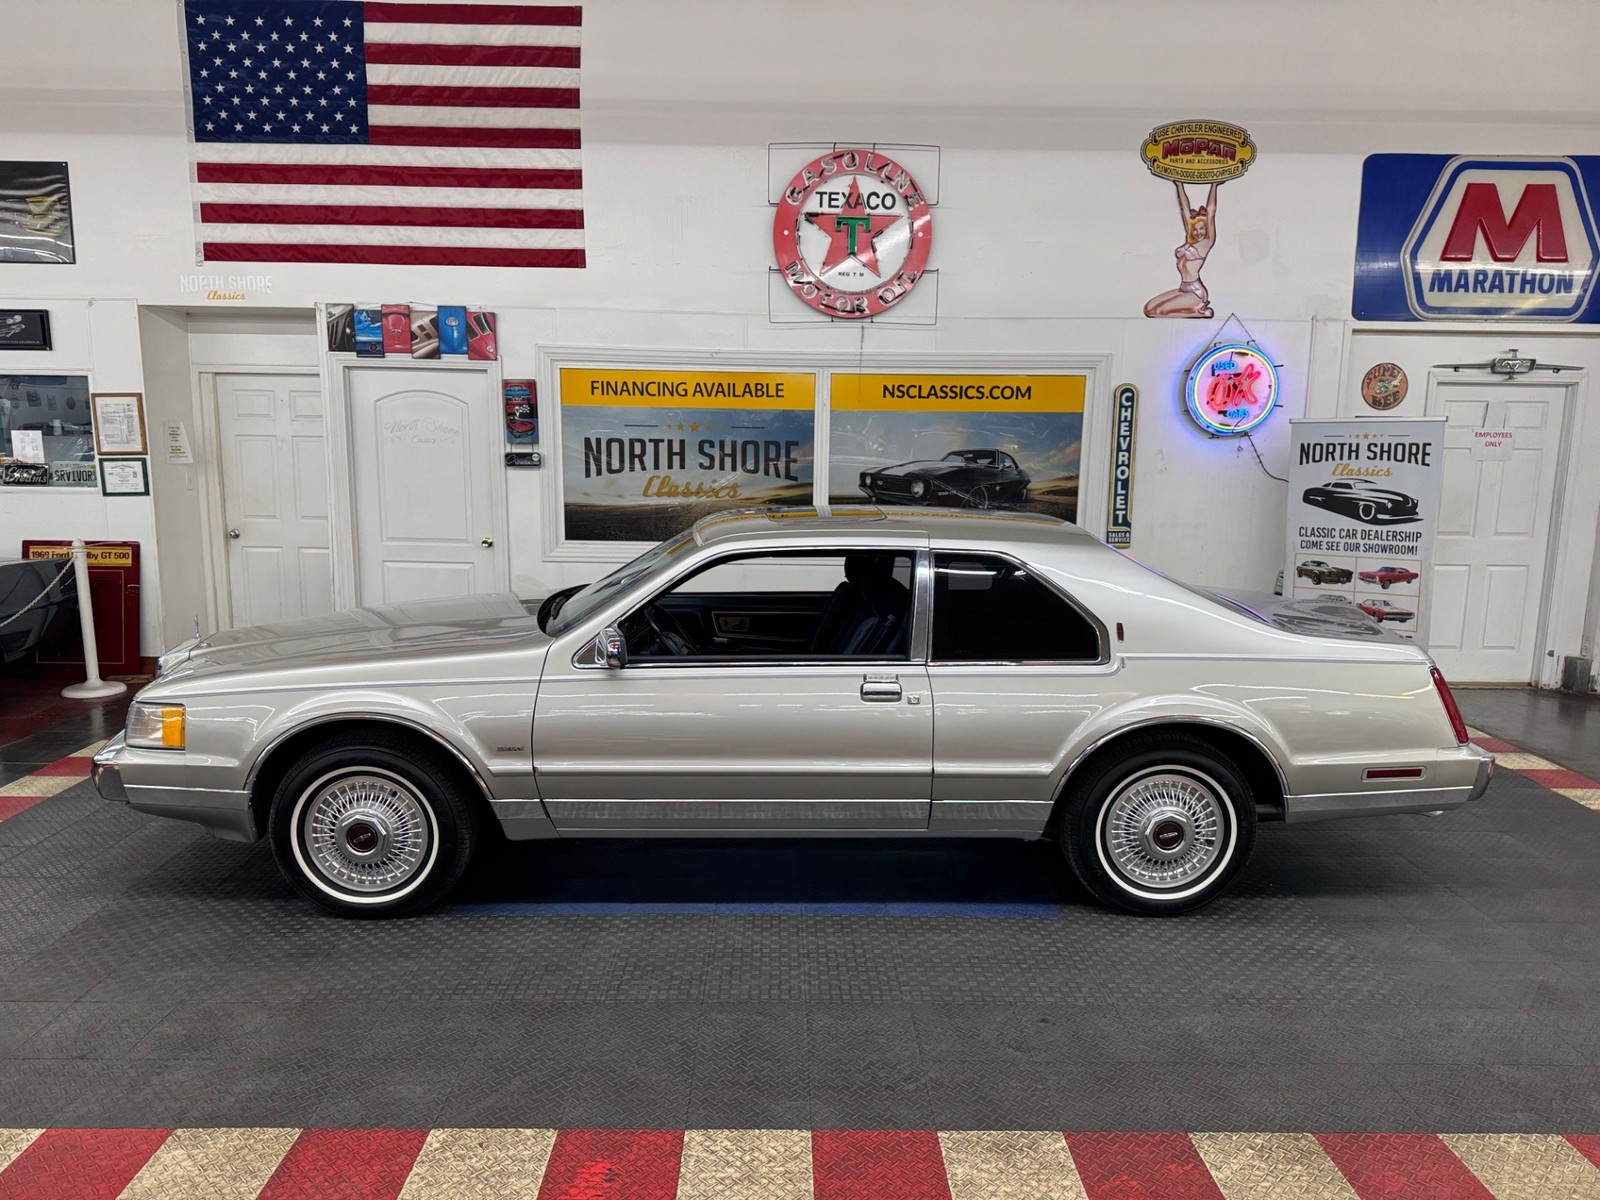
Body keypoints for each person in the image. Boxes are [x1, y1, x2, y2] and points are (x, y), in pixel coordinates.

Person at [1144, 181, 1218, 318]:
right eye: (1195, 229)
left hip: (1196, 293)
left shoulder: (1206, 243)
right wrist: (1179, 186)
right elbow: (1184, 209)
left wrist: (1214, 185)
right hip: (1184, 289)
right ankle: (1195, 310)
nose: (1198, 232)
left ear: (1207, 229)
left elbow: (1211, 211)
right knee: (1148, 309)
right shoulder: (1189, 244)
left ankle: (1199, 312)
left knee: (1158, 312)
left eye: (1202, 228)